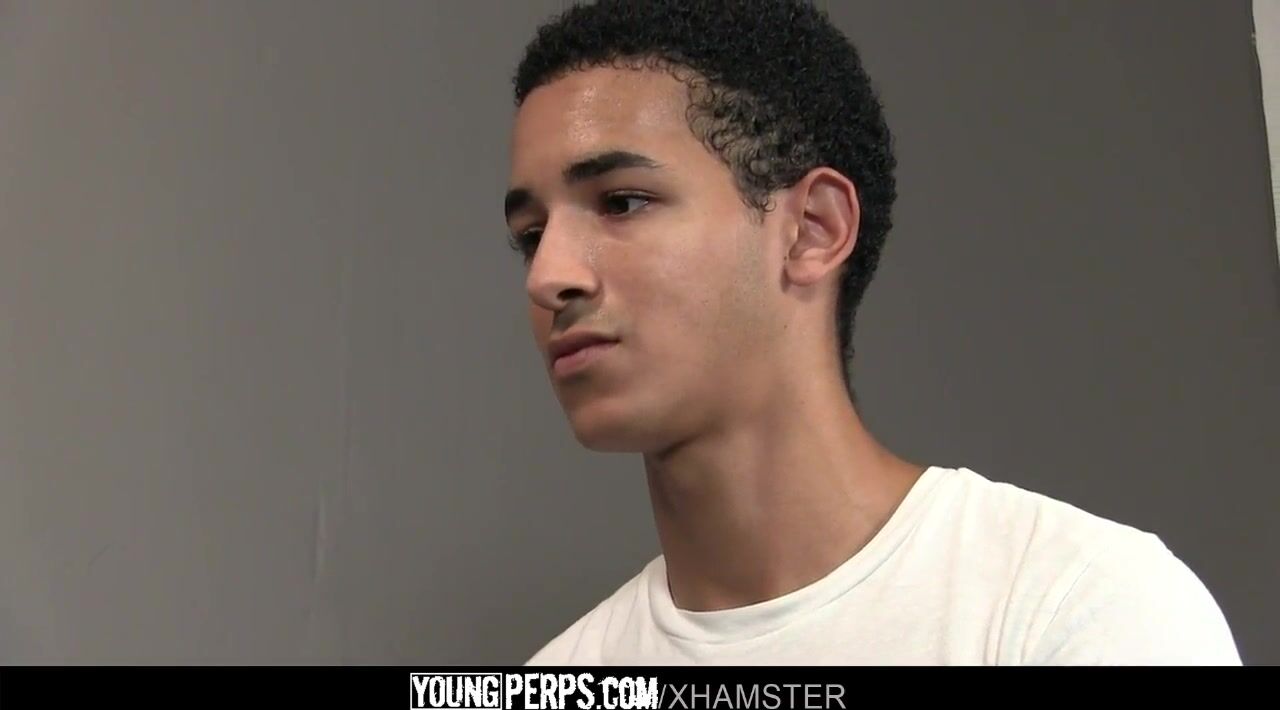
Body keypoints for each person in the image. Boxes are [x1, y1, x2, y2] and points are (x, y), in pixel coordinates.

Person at [502, 0, 1241, 665]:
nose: (548, 276)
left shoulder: (1076, 607)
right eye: (531, 235)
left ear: (812, 230)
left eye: (622, 202)